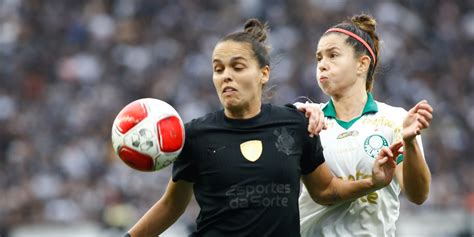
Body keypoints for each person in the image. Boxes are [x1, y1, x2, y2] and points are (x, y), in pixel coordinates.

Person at [125, 18, 402, 237]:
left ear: (263, 73)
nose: (226, 77)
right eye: (218, 69)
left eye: (237, 67)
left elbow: (326, 191)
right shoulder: (196, 135)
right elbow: (172, 205)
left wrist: (373, 183)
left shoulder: (295, 125)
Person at [297, 14, 433, 237]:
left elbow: (418, 195)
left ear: (362, 64)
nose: (322, 65)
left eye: (332, 55)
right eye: (319, 58)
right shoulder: (309, 120)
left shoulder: (396, 120)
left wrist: (410, 143)